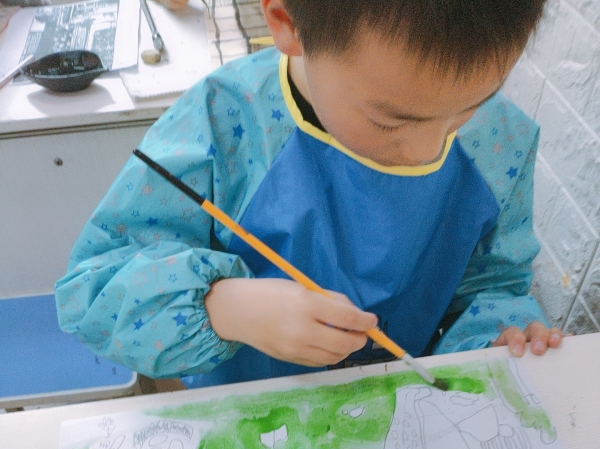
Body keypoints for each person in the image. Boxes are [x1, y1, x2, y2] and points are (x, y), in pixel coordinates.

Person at [55, 0, 563, 389]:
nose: (428, 150)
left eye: (472, 106)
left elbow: (493, 282)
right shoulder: (221, 124)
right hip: (245, 420)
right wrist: (224, 307)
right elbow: (89, 293)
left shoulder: (498, 141)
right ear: (287, 23)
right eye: (389, 122)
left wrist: (497, 333)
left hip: (404, 415)